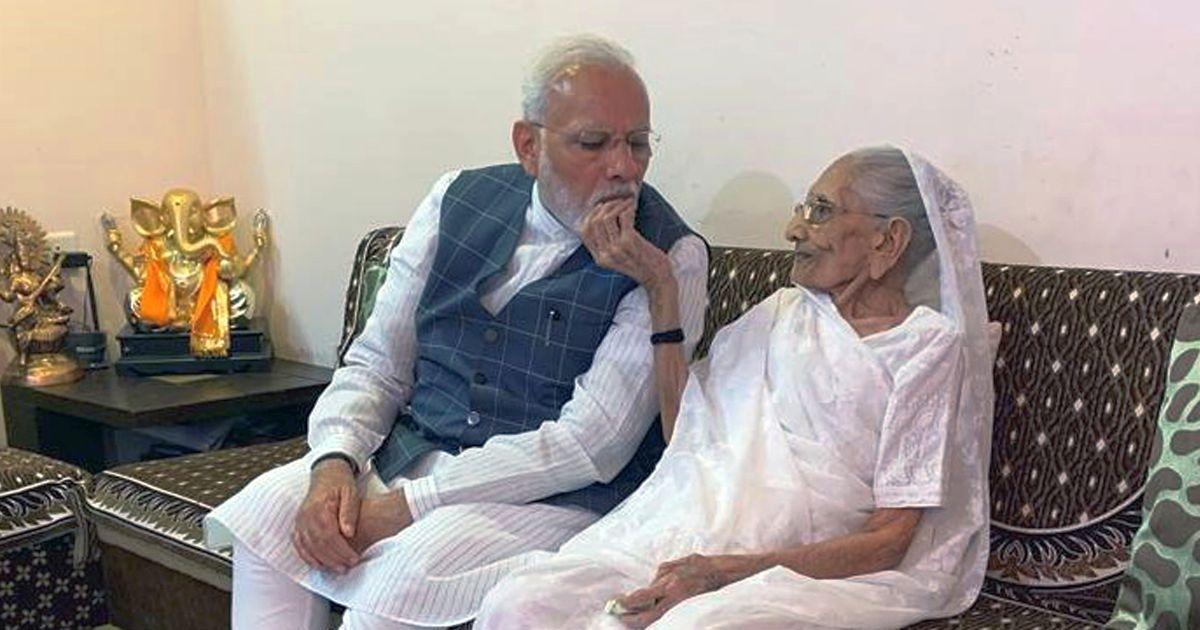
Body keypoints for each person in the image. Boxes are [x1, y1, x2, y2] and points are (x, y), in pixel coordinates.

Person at [204, 35, 709, 629]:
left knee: (401, 581)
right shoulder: (455, 199)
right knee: (272, 518)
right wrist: (334, 460)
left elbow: (591, 445)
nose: (623, 167)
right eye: (593, 143)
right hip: (415, 450)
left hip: (550, 496)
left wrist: (410, 505)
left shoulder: (670, 255)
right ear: (529, 146)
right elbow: (377, 362)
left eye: (638, 143)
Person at [475, 146, 994, 629]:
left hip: (795, 569)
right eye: (802, 208)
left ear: (888, 240)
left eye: (820, 211)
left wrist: (725, 572)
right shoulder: (780, 313)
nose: (793, 229)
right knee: (519, 602)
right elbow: (684, 436)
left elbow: (889, 540)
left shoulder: (926, 346)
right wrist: (662, 288)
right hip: (686, 527)